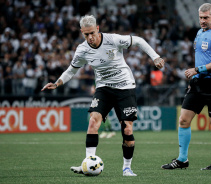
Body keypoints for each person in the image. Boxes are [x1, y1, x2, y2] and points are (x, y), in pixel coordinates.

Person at [41, 15, 164, 176]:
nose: (90, 37)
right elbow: (71, 70)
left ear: (98, 28)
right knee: (93, 121)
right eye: (86, 35)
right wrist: (57, 83)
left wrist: (155, 57)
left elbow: (139, 41)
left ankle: (127, 167)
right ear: (81, 33)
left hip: (125, 87)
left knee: (127, 130)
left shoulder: (113, 40)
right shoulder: (82, 50)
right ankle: (87, 164)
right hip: (104, 88)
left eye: (92, 33)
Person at [161, 3, 211, 170]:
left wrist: (197, 70)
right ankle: (182, 160)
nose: (202, 21)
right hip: (197, 83)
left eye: (206, 17)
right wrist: (195, 75)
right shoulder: (200, 33)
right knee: (184, 120)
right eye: (200, 17)